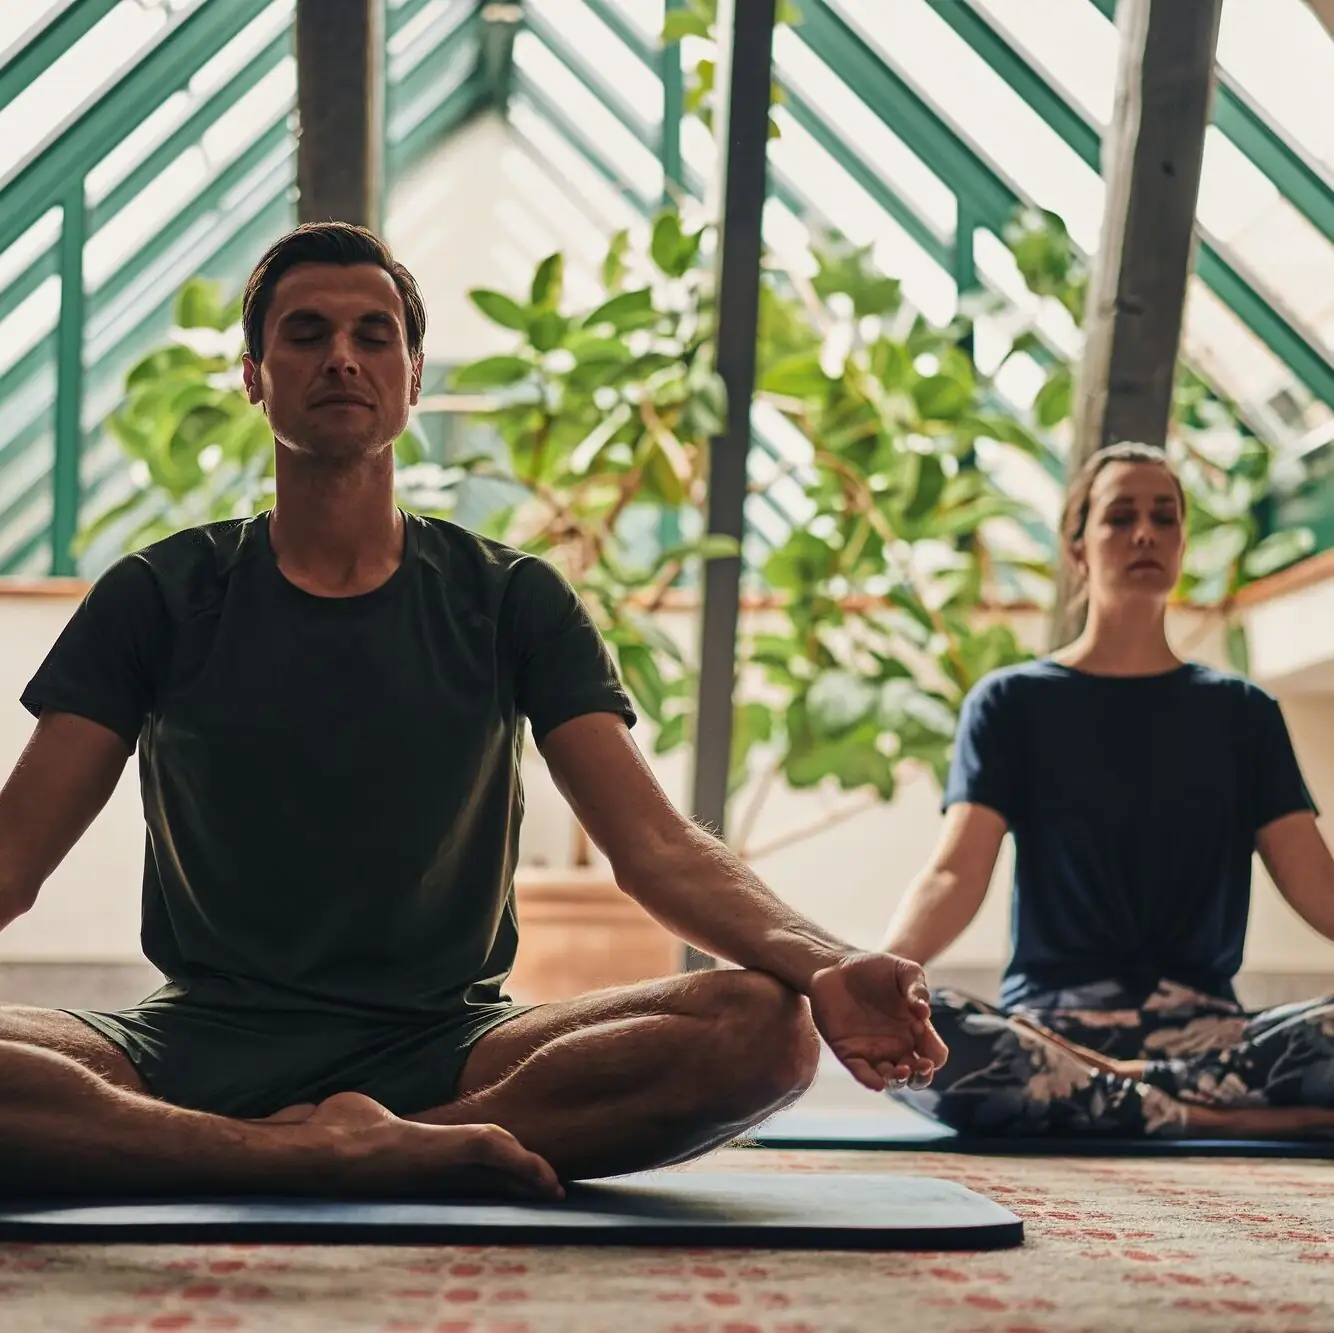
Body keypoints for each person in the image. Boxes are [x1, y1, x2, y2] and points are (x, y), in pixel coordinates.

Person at [0, 222, 947, 1202]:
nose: (340, 357)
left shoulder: (508, 597)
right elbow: (13, 859)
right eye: (305, 332)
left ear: (412, 379)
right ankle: (325, 1155)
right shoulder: (158, 592)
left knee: (762, 1028)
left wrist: (828, 961)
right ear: (254, 375)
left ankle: (363, 1138)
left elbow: (654, 847)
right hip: (190, 1041)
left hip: (453, 1049)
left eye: (373, 336)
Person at [880, 441, 1334, 1140]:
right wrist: (879, 976)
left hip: (1209, 1035)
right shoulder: (1011, 702)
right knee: (932, 1036)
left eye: (1165, 517)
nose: (1146, 532)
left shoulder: (1244, 714)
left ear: (1183, 542)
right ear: (1078, 549)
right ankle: (1218, 1115)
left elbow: (1314, 880)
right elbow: (953, 871)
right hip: (1053, 1030)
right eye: (1120, 516)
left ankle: (1122, 1098)